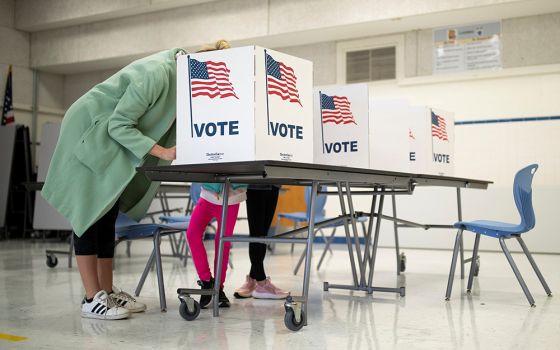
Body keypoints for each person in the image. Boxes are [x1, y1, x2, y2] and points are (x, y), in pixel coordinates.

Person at [41, 40, 231, 320]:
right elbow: (119, 124)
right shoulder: (158, 73)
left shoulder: (183, 81)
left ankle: (107, 291)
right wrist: (162, 152)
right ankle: (91, 298)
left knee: (108, 212)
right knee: (89, 210)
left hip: (114, 138)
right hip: (90, 130)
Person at [186, 182, 247, 308]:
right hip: (207, 195)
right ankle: (206, 281)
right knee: (192, 234)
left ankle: (218, 287)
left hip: (232, 199)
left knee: (222, 242)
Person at [234, 185, 289, 299]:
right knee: (256, 234)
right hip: (256, 183)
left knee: (263, 235)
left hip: (273, 183)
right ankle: (261, 282)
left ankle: (253, 279)